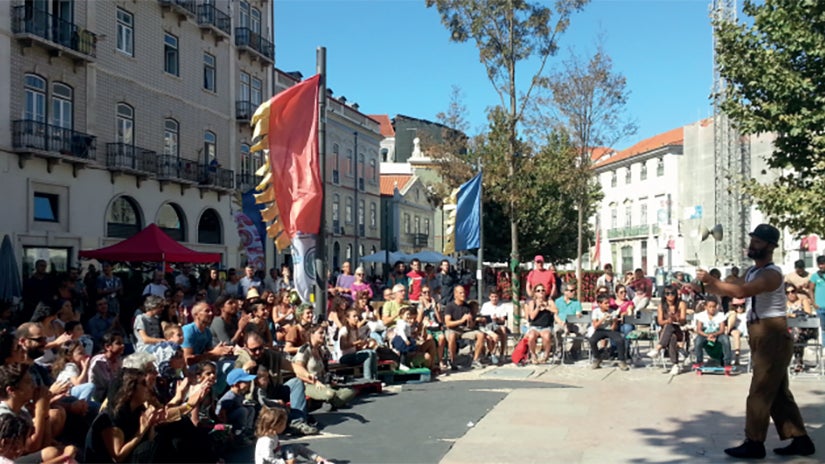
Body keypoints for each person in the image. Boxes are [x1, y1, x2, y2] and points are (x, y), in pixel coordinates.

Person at [697, 223, 815, 458]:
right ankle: (801, 440)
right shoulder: (752, 272)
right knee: (778, 394)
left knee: (760, 393)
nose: (752, 245)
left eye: (758, 242)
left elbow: (742, 293)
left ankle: (754, 442)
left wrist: (712, 280)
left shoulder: (771, 274)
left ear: (771, 246)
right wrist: (707, 283)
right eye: (752, 240)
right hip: (761, 335)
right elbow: (732, 288)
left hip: (772, 336)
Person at [291, 324, 356, 410]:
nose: (323, 335)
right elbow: (298, 372)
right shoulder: (304, 350)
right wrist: (314, 381)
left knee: (351, 391)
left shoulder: (321, 350)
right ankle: (334, 401)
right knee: (330, 394)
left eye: (324, 333)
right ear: (312, 334)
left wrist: (331, 380)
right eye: (321, 333)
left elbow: (325, 370)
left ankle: (332, 402)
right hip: (308, 384)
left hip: (323, 383)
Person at [253, 406, 330, 464]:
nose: (285, 425)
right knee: (290, 454)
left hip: (278, 456)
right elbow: (267, 458)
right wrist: (285, 462)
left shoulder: (273, 435)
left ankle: (318, 459)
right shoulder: (266, 440)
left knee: (296, 447)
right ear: (275, 425)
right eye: (283, 423)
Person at [646, 285, 687, 375]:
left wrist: (677, 319)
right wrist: (668, 321)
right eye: (667, 293)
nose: (670, 295)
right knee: (671, 335)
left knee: (671, 327)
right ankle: (675, 365)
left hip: (679, 329)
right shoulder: (661, 306)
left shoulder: (681, 304)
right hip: (665, 332)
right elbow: (660, 322)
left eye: (672, 293)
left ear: (676, 294)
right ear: (664, 295)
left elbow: (683, 320)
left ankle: (658, 348)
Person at [443, 286, 486, 370]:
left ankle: (475, 360)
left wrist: (470, 321)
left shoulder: (467, 307)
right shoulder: (450, 306)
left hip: (465, 330)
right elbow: (448, 323)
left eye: (464, 292)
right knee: (451, 336)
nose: (463, 294)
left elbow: (471, 326)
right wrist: (461, 320)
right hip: (453, 329)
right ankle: (452, 360)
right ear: (455, 295)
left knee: (480, 335)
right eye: (461, 293)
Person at [587, 295, 630, 371]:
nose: (608, 305)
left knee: (620, 340)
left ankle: (621, 360)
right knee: (592, 340)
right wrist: (603, 319)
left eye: (608, 303)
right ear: (600, 304)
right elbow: (595, 326)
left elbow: (613, 328)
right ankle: (597, 358)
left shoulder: (612, 312)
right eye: (605, 303)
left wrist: (614, 321)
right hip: (600, 330)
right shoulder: (596, 312)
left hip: (610, 330)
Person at [216, 368, 258, 445]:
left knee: (250, 409)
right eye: (246, 382)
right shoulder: (229, 396)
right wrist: (226, 429)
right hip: (226, 421)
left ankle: (248, 430)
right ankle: (239, 433)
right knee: (242, 411)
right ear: (236, 384)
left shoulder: (239, 394)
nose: (249, 384)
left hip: (235, 418)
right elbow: (221, 413)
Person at [692, 297, 732, 373]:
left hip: (717, 334)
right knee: (697, 341)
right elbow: (699, 330)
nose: (712, 309)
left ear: (716, 306)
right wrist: (707, 336)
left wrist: (713, 335)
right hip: (705, 334)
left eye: (714, 307)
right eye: (710, 307)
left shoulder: (720, 315)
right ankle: (699, 361)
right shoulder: (701, 315)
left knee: (726, 340)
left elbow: (722, 329)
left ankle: (727, 362)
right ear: (706, 307)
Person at [785, 283, 816, 373]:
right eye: (788, 292)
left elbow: (808, 314)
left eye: (793, 291)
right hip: (789, 330)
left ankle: (798, 362)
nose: (791, 294)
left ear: (796, 292)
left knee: (796, 334)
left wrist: (793, 315)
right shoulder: (784, 305)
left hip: (805, 329)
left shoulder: (803, 301)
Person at [524, 284, 556, 364]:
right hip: (535, 326)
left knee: (547, 336)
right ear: (535, 293)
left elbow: (556, 311)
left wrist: (547, 307)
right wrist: (538, 307)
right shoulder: (532, 302)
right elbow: (531, 317)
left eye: (543, 290)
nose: (541, 292)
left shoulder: (549, 301)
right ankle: (533, 354)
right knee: (531, 336)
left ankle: (546, 355)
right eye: (538, 291)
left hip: (546, 326)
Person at [554, 282, 584, 360]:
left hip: (572, 323)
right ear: (565, 291)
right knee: (556, 330)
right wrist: (561, 323)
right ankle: (559, 350)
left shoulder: (576, 302)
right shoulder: (558, 301)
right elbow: (555, 314)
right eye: (571, 290)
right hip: (561, 322)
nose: (573, 292)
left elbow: (578, 313)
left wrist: (579, 315)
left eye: (574, 290)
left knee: (583, 331)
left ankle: (574, 349)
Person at [479, 290, 508, 365]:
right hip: (488, 325)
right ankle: (492, 354)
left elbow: (503, 320)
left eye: (496, 297)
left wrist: (497, 318)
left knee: (503, 330)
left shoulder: (502, 306)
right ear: (489, 297)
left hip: (498, 325)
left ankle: (502, 353)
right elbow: (483, 317)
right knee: (489, 336)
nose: (494, 299)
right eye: (492, 297)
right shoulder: (485, 305)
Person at [726, 298, 747, 366]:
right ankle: (737, 356)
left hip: (746, 329)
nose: (739, 308)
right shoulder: (732, 313)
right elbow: (723, 321)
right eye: (737, 306)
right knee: (736, 333)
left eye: (742, 306)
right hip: (734, 329)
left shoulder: (747, 313)